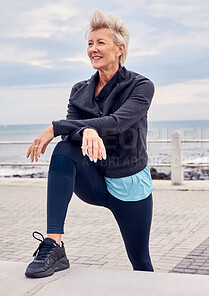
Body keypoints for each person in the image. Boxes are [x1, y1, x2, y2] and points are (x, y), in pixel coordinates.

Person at [25, 9, 155, 278]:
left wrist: (58, 126)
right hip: (94, 181)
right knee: (64, 150)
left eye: (100, 43)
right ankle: (54, 244)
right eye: (90, 43)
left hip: (129, 186)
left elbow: (118, 121)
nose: (93, 49)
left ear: (119, 49)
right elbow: (70, 134)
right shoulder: (79, 90)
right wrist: (84, 132)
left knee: (141, 261)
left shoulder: (140, 86)